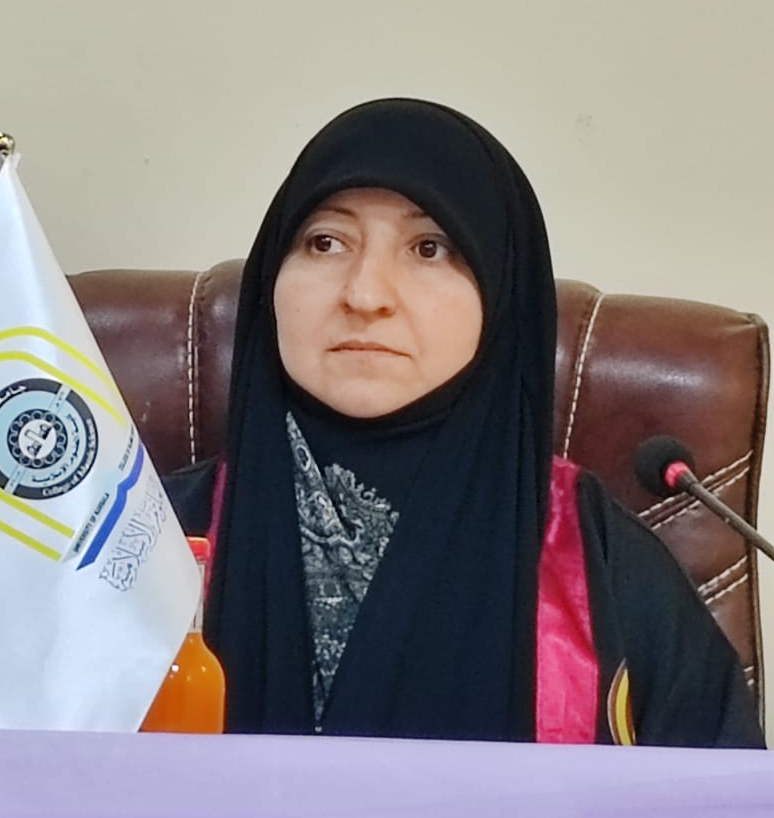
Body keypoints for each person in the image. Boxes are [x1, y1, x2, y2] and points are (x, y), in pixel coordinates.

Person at [163, 98, 764, 748]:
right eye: (325, 242)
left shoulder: (594, 562)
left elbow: (717, 801)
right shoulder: (147, 540)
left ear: (501, 292)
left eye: (429, 248)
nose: (365, 294)